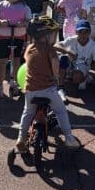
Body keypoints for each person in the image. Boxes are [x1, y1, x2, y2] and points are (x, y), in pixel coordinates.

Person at [15, 16, 80, 152]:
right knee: (60, 111)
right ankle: (69, 138)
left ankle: (21, 138)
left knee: (27, 112)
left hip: (30, 89)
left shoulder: (29, 48)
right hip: (48, 89)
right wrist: (56, 77)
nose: (54, 37)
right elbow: (55, 65)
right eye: (53, 35)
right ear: (46, 36)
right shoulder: (50, 50)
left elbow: (29, 64)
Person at [0, 0, 31, 98]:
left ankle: (15, 84)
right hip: (2, 37)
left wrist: (23, 23)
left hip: (18, 37)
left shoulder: (24, 7)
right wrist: (0, 22)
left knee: (16, 61)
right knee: (1, 62)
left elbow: (29, 21)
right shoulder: (1, 5)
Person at [57, 20, 95, 94]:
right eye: (80, 31)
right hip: (70, 64)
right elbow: (55, 45)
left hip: (82, 67)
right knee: (62, 58)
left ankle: (83, 78)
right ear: (76, 32)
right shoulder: (71, 39)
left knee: (77, 78)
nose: (83, 34)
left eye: (86, 31)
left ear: (90, 32)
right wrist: (68, 51)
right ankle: (60, 87)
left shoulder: (93, 46)